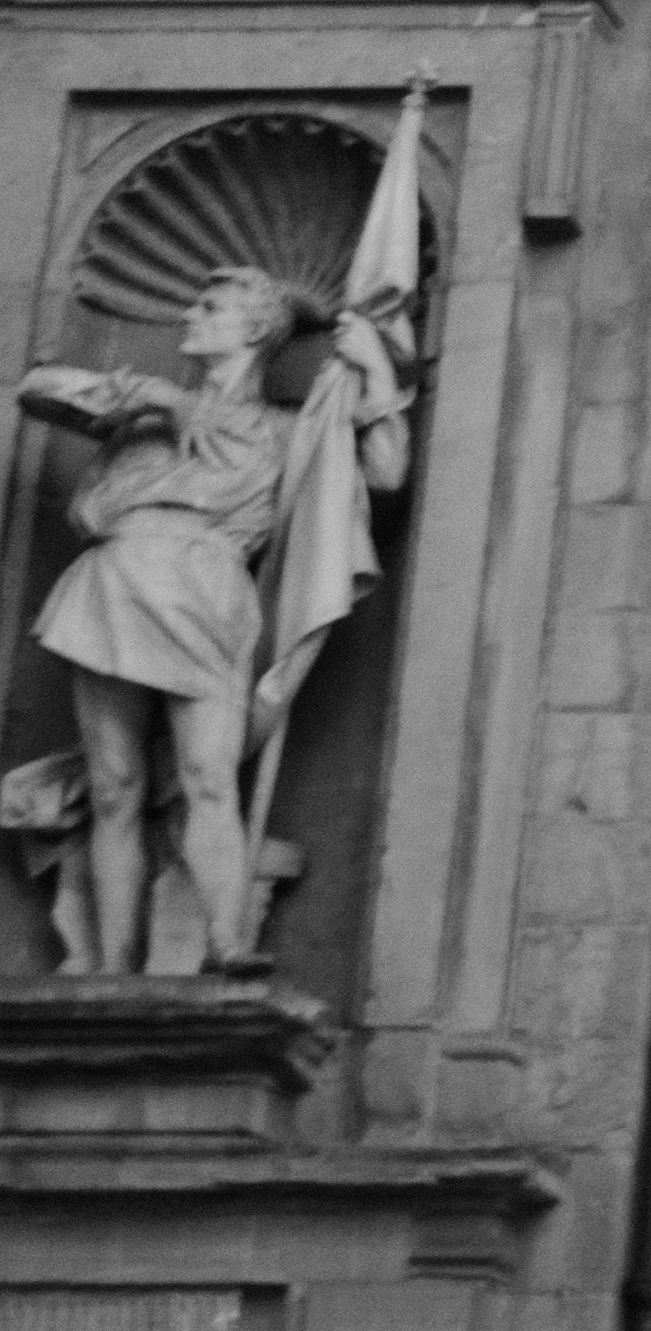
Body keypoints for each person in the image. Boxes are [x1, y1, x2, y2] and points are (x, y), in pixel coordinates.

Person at [17, 264, 404, 973]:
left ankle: (228, 943)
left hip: (208, 587)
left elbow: (384, 473)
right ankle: (115, 966)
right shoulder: (143, 411)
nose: (188, 315)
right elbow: (35, 389)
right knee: (115, 787)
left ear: (255, 329)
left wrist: (375, 371)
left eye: (210, 306)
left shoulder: (285, 429)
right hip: (115, 579)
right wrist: (163, 397)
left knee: (209, 777)